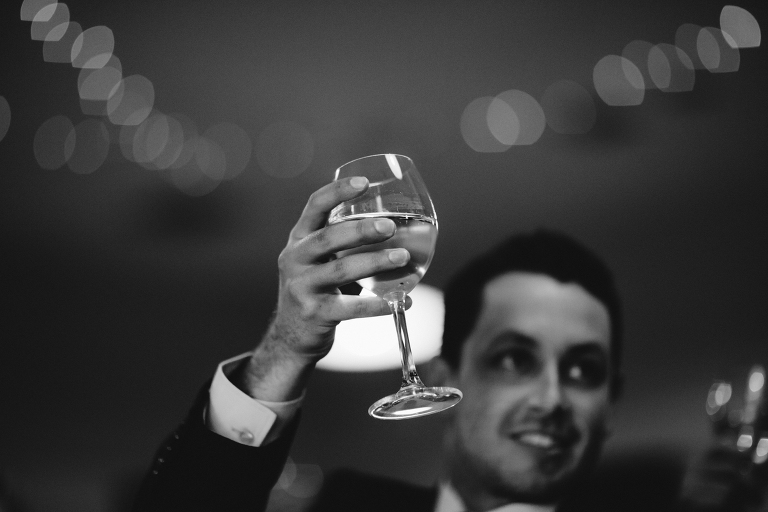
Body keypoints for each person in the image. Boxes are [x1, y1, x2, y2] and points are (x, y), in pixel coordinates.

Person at [132, 177, 761, 512]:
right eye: (514, 358)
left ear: (611, 405)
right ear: (442, 371)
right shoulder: (341, 508)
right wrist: (284, 350)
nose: (552, 397)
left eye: (582, 370)